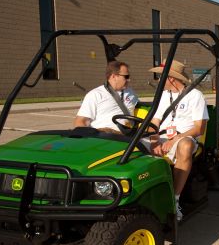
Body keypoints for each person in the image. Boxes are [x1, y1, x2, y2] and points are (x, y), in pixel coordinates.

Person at [148, 60, 209, 221]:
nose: (159, 80)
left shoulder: (195, 96)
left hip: (184, 136)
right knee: (131, 146)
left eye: (161, 77)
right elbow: (154, 122)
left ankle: (174, 200)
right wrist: (154, 141)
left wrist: (174, 139)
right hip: (162, 137)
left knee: (186, 145)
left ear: (172, 78)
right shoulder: (162, 95)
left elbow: (199, 128)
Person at [74, 61, 138, 132]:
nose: (129, 79)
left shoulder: (131, 93)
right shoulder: (95, 94)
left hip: (128, 134)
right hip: (105, 135)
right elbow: (80, 121)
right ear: (114, 76)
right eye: (126, 76)